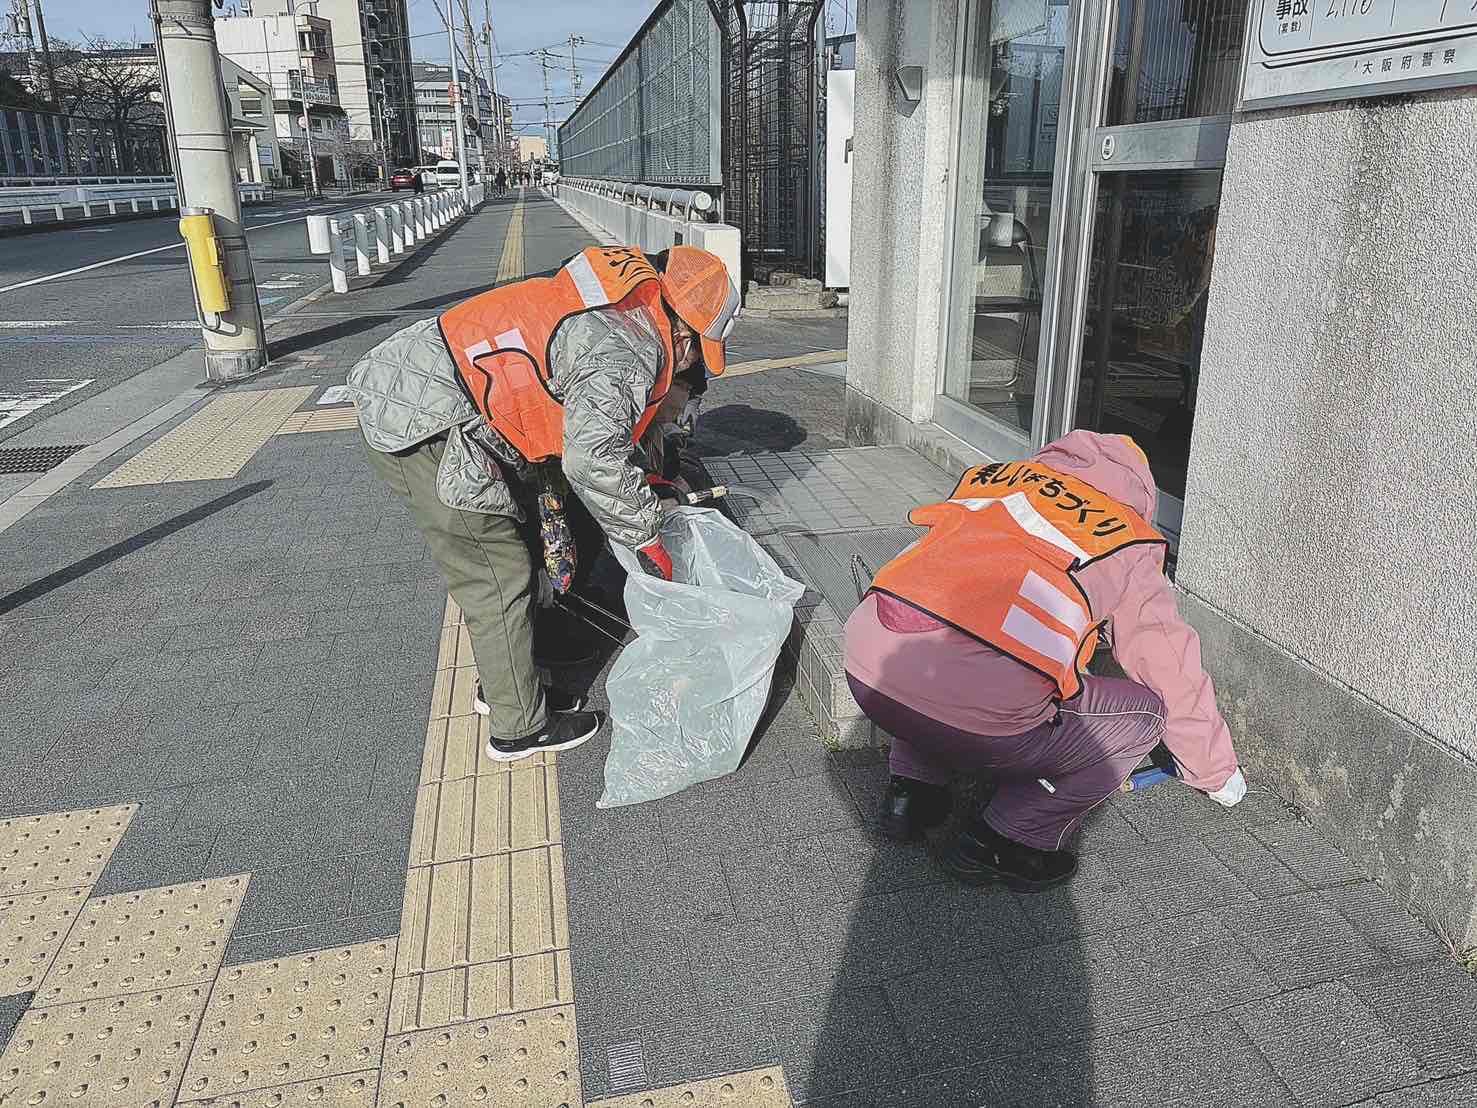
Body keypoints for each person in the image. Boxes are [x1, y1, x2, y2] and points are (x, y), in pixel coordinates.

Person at [348, 245, 739, 762]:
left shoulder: (624, 300)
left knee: (521, 544)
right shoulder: (631, 347)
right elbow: (590, 458)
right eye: (698, 352)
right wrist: (645, 534)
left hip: (429, 387)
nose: (689, 364)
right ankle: (517, 726)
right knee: (496, 574)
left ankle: (517, 677)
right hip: (424, 421)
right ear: (684, 334)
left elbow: (575, 414)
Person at [845, 430, 1246, 891]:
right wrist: (1216, 772)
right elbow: (1169, 664)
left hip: (868, 662)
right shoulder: (1126, 537)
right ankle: (1005, 839)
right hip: (977, 711)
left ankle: (911, 794)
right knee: (1146, 715)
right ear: (1139, 493)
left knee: (941, 648)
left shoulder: (991, 483)